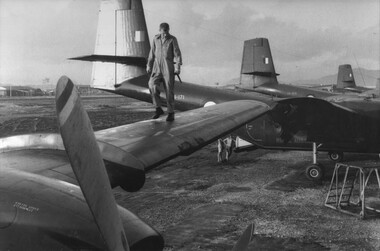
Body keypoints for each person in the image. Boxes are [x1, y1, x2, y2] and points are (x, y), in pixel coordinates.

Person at [146, 22, 182, 122]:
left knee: (169, 90)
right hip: (157, 66)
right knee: (151, 85)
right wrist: (149, 65)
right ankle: (158, 108)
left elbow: (177, 54)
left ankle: (171, 113)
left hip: (168, 66)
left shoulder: (172, 39)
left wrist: (177, 67)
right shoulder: (155, 39)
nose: (165, 34)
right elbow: (151, 53)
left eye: (167, 31)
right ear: (160, 30)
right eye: (164, 31)